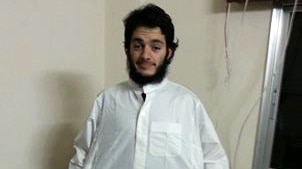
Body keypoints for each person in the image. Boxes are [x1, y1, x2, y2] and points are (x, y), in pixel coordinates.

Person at [68, 3, 229, 169]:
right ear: (127, 49)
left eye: (155, 47)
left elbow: (215, 161)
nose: (146, 55)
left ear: (169, 53)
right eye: (138, 46)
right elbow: (81, 157)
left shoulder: (188, 104)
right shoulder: (106, 100)